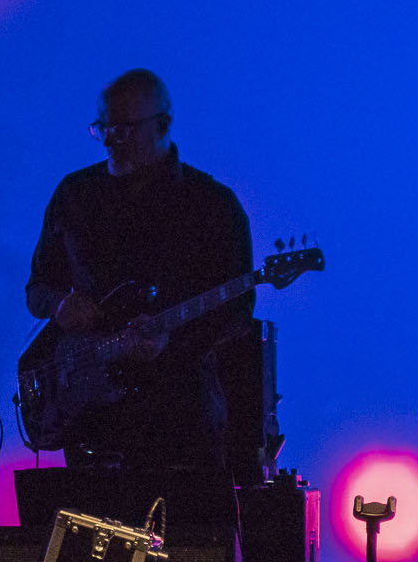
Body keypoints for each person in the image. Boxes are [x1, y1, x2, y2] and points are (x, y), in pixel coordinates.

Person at [25, 68, 256, 474]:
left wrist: (170, 344)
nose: (112, 139)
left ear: (163, 124)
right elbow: (38, 288)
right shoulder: (74, 194)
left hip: (179, 416)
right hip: (92, 413)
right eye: (104, 127)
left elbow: (237, 312)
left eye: (126, 128)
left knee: (185, 534)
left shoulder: (211, 205)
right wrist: (60, 304)